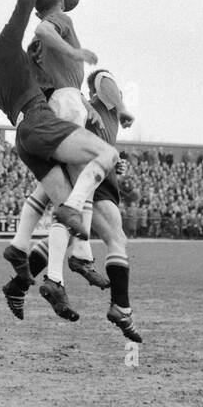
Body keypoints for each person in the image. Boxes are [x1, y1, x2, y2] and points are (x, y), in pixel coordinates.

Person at [0, 0, 118, 322]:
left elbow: (26, 60)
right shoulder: (6, 50)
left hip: (23, 137)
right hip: (42, 119)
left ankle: (46, 274)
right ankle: (77, 257)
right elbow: (21, 9)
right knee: (99, 163)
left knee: (67, 206)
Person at [24, 68, 143, 342]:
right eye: (114, 89)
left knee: (69, 233)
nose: (116, 90)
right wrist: (123, 106)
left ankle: (22, 278)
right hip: (92, 177)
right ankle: (121, 307)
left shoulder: (100, 114)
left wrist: (118, 162)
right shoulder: (103, 101)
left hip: (96, 173)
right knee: (116, 238)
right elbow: (101, 77)